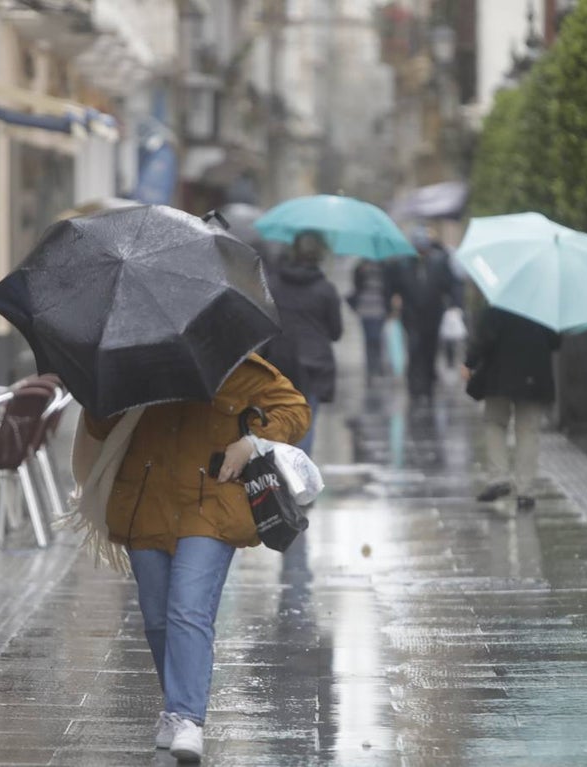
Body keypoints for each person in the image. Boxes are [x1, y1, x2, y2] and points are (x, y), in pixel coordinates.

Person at [81, 353, 309, 762]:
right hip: (146, 502)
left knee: (188, 609)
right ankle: (175, 707)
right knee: (156, 617)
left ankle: (187, 717)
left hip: (210, 506)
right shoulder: (134, 362)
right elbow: (101, 427)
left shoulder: (240, 367)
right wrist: (99, 390)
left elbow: (295, 409)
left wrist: (253, 441)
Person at [461, 305, 560, 509]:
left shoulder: (500, 299)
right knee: (528, 431)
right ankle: (525, 491)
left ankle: (498, 477)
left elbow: (485, 337)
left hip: (500, 373)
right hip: (534, 374)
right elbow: (555, 341)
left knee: (495, 423)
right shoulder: (545, 303)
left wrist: (469, 361)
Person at [265, 231, 342, 455]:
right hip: (315, 367)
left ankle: (280, 473)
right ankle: (298, 477)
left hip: (279, 363)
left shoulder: (273, 285)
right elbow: (336, 332)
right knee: (305, 424)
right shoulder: (326, 290)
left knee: (279, 421)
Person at [384, 229, 463, 402]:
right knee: (413, 350)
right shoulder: (403, 264)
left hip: (433, 315)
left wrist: (456, 306)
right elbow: (391, 286)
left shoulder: (439, 262)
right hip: (411, 315)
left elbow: (452, 284)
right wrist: (391, 305)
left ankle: (428, 387)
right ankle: (414, 387)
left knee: (430, 351)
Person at [346, 259, 388, 382]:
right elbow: (356, 285)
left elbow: (388, 286)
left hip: (380, 307)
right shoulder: (360, 268)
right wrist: (361, 272)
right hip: (365, 308)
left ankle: (378, 366)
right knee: (369, 339)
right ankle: (371, 368)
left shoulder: (384, 267)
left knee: (377, 338)